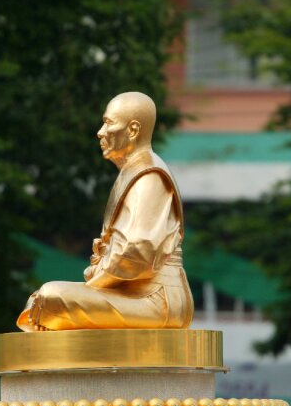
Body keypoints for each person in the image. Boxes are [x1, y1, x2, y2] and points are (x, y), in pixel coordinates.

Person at [16, 92, 194, 331]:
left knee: (49, 298)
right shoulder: (135, 172)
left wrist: (95, 281)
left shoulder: (149, 176)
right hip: (132, 294)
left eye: (109, 123)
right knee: (41, 301)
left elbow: (136, 253)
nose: (100, 132)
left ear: (132, 130)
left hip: (155, 299)